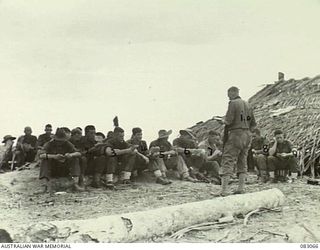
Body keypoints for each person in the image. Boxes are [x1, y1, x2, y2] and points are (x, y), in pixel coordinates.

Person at [219, 86, 256, 196]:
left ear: (232, 92)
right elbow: (253, 124)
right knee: (242, 160)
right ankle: (241, 188)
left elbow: (228, 121)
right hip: (247, 134)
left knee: (228, 159)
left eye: (228, 94)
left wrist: (221, 121)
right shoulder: (248, 104)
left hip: (236, 134)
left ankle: (224, 190)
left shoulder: (233, 103)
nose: (228, 96)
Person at [39, 128, 83, 192]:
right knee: (45, 160)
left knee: (75, 159)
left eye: (61, 140)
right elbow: (41, 155)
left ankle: (75, 184)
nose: (60, 142)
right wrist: (54, 157)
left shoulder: (67, 143)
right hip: (53, 168)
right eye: (58, 140)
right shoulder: (49, 144)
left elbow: (78, 153)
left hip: (65, 168)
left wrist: (70, 155)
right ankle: (44, 186)